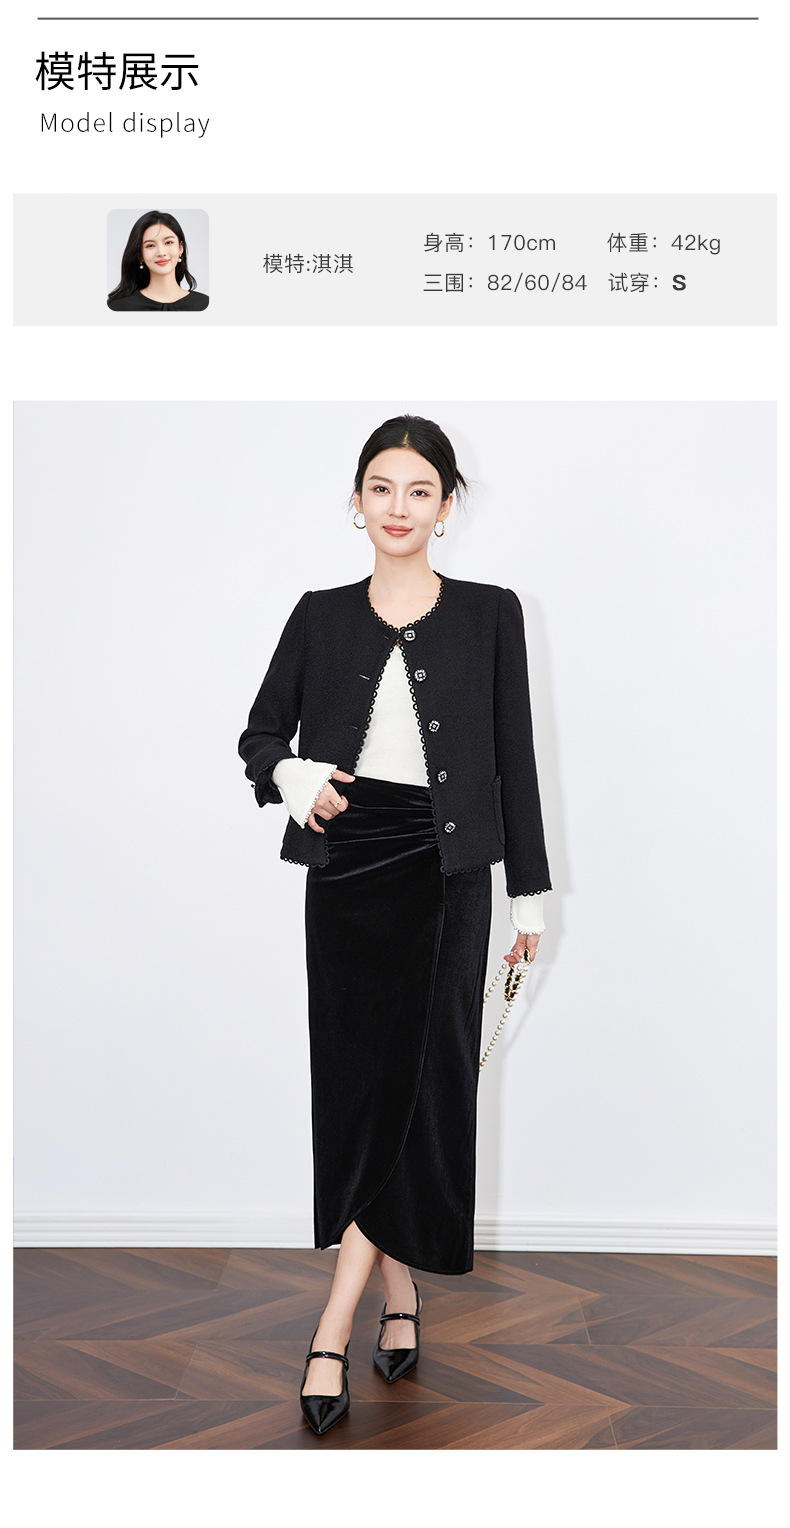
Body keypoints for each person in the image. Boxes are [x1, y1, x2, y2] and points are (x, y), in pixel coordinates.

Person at [238, 414, 551, 1436]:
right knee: (363, 1087)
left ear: (447, 505)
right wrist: (291, 777)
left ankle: (333, 1324)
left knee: (425, 1086)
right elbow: (258, 735)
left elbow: (514, 757)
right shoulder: (320, 615)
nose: (400, 506)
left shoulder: (492, 614)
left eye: (420, 489)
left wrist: (530, 895)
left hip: (450, 869)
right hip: (347, 867)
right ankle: (400, 1288)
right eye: (382, 487)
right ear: (357, 502)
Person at [107, 211, 209, 310]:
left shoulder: (204, 304)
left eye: (168, 242)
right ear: (140, 255)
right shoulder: (118, 307)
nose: (161, 252)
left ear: (180, 248)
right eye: (150, 245)